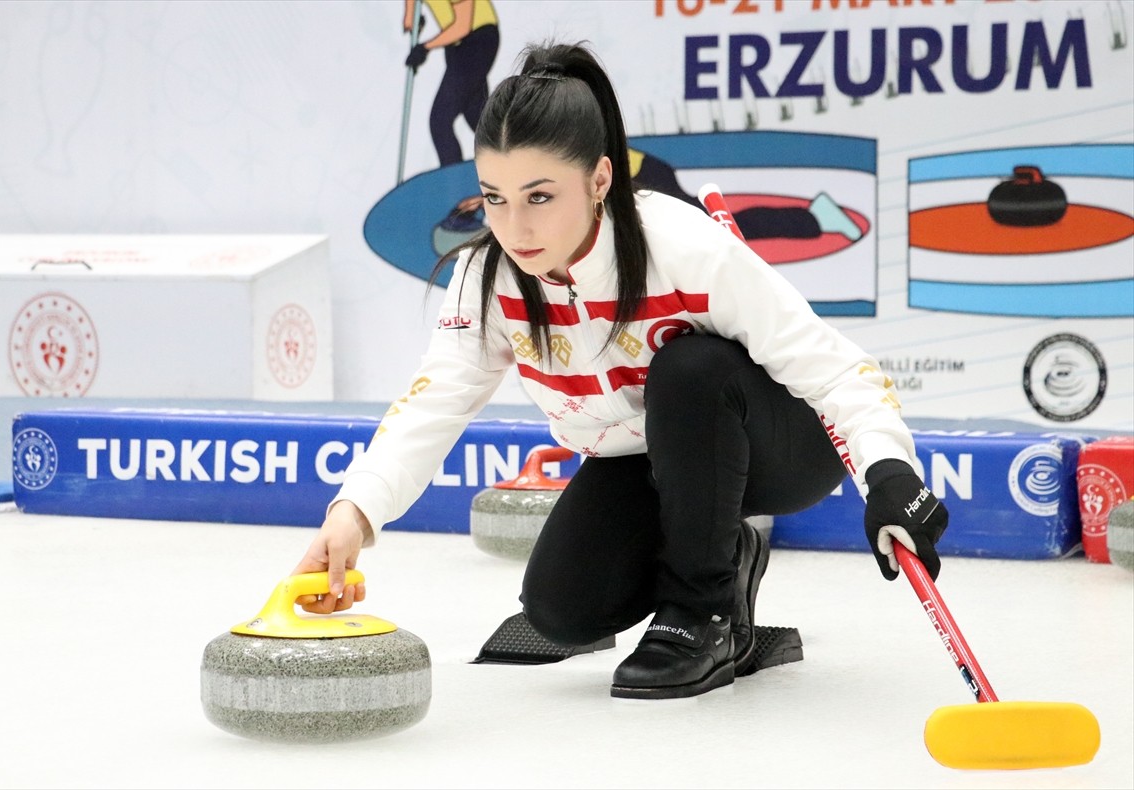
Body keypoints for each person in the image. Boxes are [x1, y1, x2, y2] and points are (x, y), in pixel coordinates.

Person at [292, 41, 948, 700]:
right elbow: (434, 404)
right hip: (648, 454)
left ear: (599, 180)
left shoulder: (684, 248)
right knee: (562, 609)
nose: (514, 227)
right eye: (494, 197)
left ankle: (704, 613)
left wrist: (892, 475)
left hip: (777, 442)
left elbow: (834, 370)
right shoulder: (487, 280)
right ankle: (728, 553)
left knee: (691, 370)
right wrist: (353, 512)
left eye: (539, 196)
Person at [403, 0, 500, 167]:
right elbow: (410, 17)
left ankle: (453, 185)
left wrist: (425, 48)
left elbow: (463, 26)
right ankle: (516, 164)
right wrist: (412, 20)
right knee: (476, 116)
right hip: (455, 46)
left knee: (440, 120)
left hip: (477, 39)